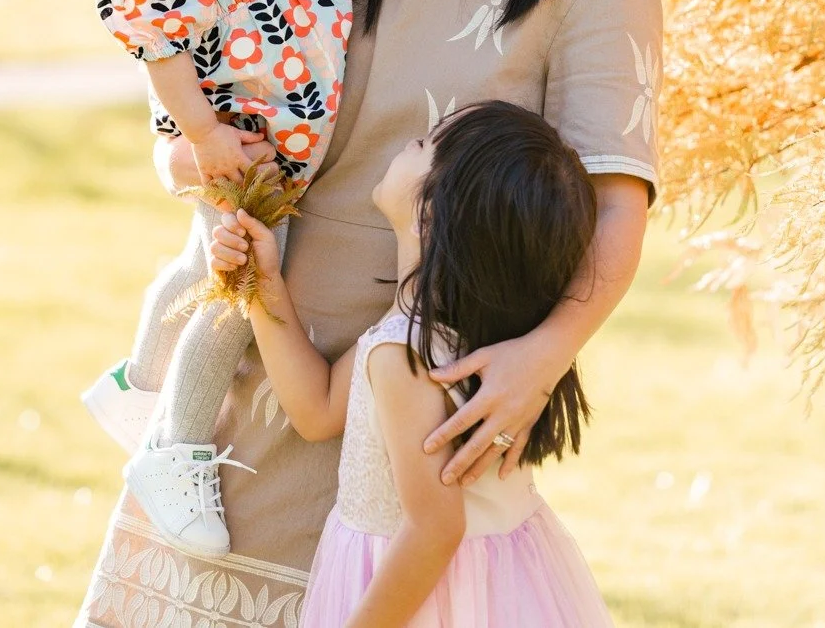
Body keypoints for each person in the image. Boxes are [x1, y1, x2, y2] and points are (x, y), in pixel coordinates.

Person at [78, 0, 661, 628]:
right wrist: (186, 160)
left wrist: (545, 353)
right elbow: (192, 109)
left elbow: (614, 206)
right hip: (242, 383)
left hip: (400, 409)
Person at [83, 0, 352, 557]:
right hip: (234, 141)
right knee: (236, 292)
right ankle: (174, 445)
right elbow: (155, 43)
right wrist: (201, 137)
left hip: (263, 141)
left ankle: (140, 383)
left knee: (203, 264)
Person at [209, 100, 615, 628]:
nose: (409, 141)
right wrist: (264, 283)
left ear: (430, 213)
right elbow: (318, 409)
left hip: (422, 600)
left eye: (424, 144)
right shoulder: (472, 332)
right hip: (505, 586)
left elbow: (434, 530)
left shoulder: (404, 352)